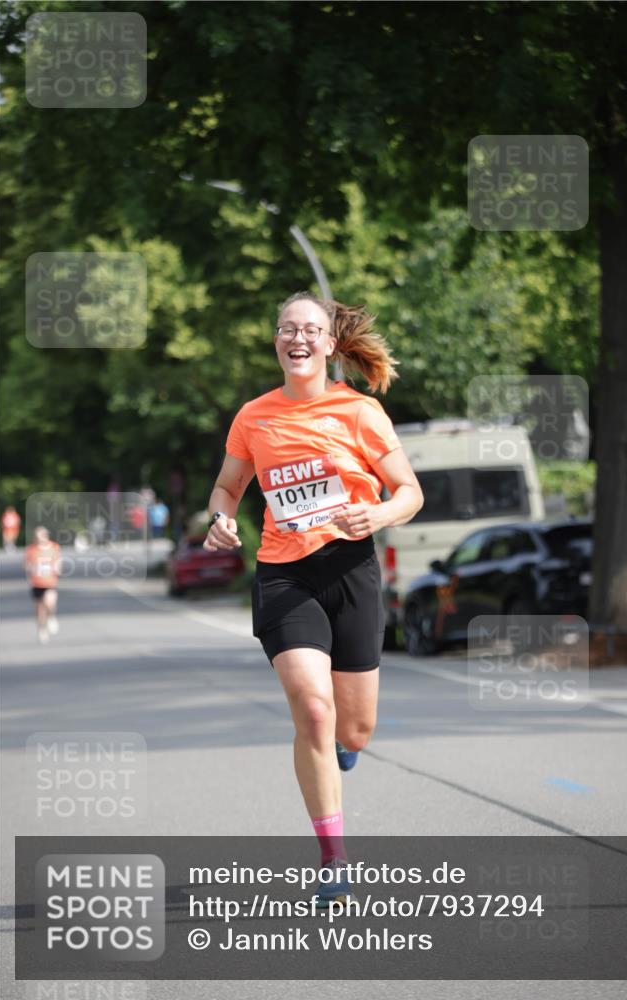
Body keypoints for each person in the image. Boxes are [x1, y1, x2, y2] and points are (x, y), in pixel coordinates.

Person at [203, 292, 423, 906]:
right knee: (315, 714)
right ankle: (333, 859)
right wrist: (220, 518)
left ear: (329, 344)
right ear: (277, 341)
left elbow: (409, 492)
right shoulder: (254, 416)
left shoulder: (360, 412)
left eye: (309, 330)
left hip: (350, 568)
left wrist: (377, 514)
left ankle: (346, 750)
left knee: (355, 727)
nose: (296, 338)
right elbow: (227, 485)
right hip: (284, 574)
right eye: (285, 329)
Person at [25, 526, 62, 644]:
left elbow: (58, 562)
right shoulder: (31, 549)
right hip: (36, 583)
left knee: (50, 602)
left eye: (41, 536)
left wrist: (57, 569)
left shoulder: (54, 547)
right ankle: (42, 630)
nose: (39, 539)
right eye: (37, 537)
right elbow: (26, 564)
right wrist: (30, 571)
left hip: (50, 582)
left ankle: (51, 617)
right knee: (39, 610)